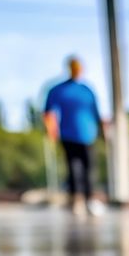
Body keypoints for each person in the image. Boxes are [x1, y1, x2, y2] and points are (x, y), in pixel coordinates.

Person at [43, 57, 107, 217]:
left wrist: (102, 131)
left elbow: (96, 112)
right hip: (68, 134)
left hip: (88, 134)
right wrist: (51, 130)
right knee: (73, 167)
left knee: (88, 166)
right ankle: (76, 199)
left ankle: (90, 199)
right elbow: (48, 111)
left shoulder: (86, 90)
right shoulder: (59, 90)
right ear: (69, 68)